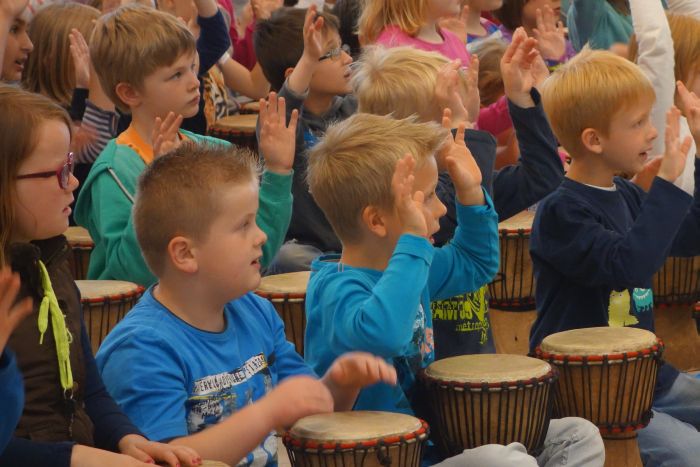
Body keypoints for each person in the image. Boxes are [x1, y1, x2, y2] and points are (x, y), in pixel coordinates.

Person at [303, 112, 604, 466]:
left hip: (432, 444)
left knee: (578, 436)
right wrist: (414, 241)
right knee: (506, 463)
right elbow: (384, 333)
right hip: (382, 460)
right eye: (429, 196)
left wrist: (470, 192)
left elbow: (475, 262)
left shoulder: (411, 265)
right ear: (377, 220)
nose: (442, 208)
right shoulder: (337, 290)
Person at [95, 141, 398, 466]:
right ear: (185, 254)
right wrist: (267, 412)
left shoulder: (255, 311)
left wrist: (338, 386)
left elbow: (307, 413)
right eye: (244, 225)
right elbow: (168, 458)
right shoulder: (141, 350)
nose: (262, 236)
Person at [0, 84, 203, 467]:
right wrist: (78, 458)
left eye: (71, 165)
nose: (73, 181)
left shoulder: (51, 267)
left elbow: (89, 392)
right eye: (59, 172)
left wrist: (129, 439)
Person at [532, 48, 700, 466]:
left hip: (647, 379)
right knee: (690, 453)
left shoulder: (624, 193)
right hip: (590, 396)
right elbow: (629, 265)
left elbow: (689, 237)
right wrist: (667, 185)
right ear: (594, 140)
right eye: (638, 123)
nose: (651, 133)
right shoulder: (561, 213)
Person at [352, 30, 562, 358]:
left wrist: (521, 100)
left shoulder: (466, 183)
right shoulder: (402, 204)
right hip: (424, 374)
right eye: (451, 107)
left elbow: (542, 176)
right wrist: (465, 128)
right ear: (414, 133)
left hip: (472, 368)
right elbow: (450, 207)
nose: (463, 111)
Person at [75, 4, 294, 286]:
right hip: (151, 313)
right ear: (129, 92)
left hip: (214, 304)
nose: (194, 82)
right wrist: (159, 186)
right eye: (176, 75)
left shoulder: (217, 153)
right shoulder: (115, 170)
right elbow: (132, 272)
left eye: (192, 67)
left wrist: (277, 171)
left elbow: (257, 252)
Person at [254, 5, 355, 272]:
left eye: (343, 47)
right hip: (307, 247)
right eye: (332, 53)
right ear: (298, 70)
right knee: (286, 258)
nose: (347, 58)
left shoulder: (353, 109)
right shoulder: (278, 121)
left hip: (356, 242)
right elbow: (288, 104)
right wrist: (310, 59)